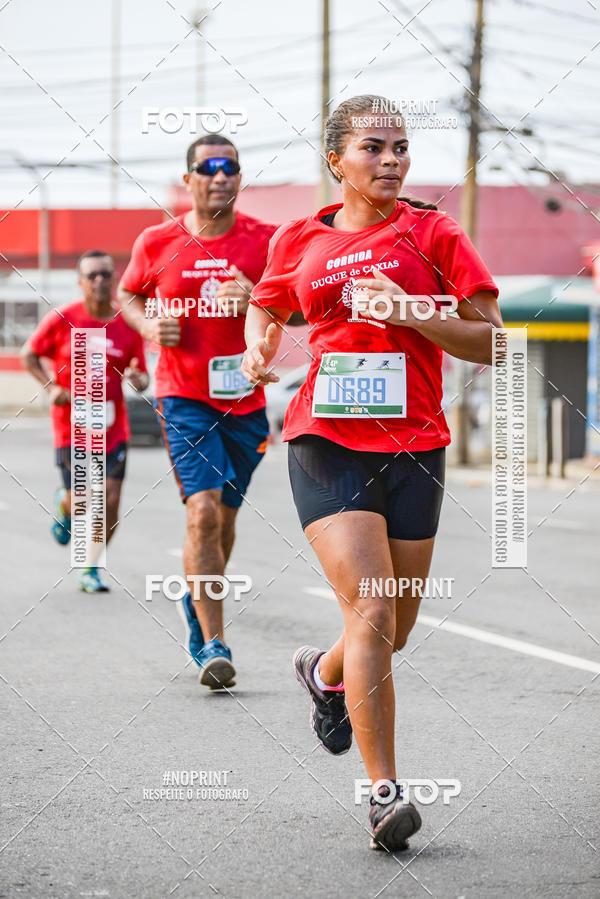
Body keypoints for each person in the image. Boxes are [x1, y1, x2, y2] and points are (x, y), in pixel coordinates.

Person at [242, 95, 503, 851]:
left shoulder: (433, 231)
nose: (391, 161)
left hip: (414, 440)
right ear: (337, 161)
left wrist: (413, 311)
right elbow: (268, 307)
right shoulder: (301, 237)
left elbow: (494, 343)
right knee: (375, 610)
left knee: (394, 629)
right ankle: (383, 792)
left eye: (400, 148)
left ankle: (323, 674)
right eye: (373, 148)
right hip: (324, 439)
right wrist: (260, 347)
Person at [117, 135, 277, 690]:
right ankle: (214, 642)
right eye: (208, 169)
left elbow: (302, 308)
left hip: (246, 401)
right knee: (203, 513)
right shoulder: (159, 240)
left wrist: (255, 298)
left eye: (230, 167)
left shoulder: (266, 241)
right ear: (188, 180)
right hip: (183, 396)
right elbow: (128, 293)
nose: (220, 177)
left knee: (225, 521)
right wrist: (146, 325)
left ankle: (197, 597)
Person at [21, 250, 149, 592]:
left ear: (114, 279)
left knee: (109, 500)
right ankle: (64, 504)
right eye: (92, 275)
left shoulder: (126, 324)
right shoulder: (64, 318)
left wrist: (138, 379)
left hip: (112, 428)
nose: (100, 281)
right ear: (80, 282)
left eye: (106, 274)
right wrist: (51, 388)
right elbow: (29, 354)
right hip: (71, 428)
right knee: (82, 499)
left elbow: (141, 374)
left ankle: (90, 567)